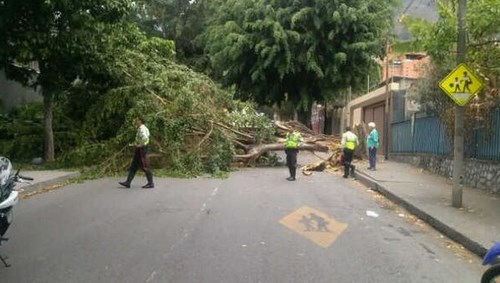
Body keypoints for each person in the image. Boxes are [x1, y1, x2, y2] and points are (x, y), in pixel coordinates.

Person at [119, 117, 155, 189]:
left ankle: (151, 183)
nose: (136, 121)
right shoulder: (141, 128)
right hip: (139, 149)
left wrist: (140, 145)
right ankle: (128, 182)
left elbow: (145, 138)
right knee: (134, 166)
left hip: (142, 149)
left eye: (137, 120)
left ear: (140, 121)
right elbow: (139, 139)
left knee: (144, 166)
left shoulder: (142, 129)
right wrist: (132, 144)